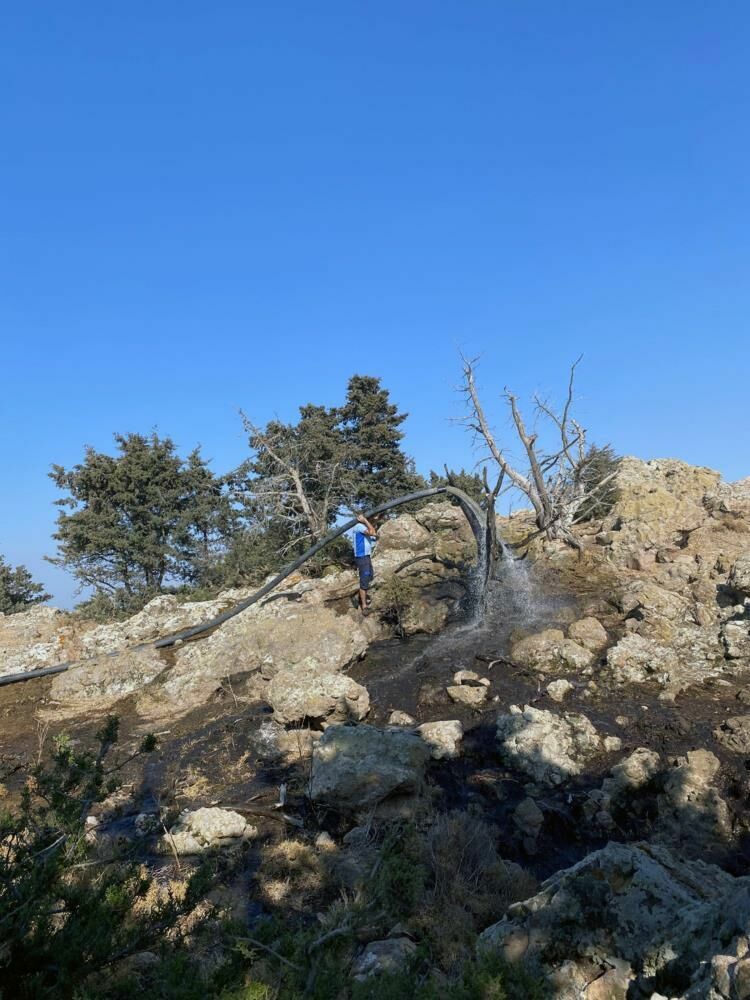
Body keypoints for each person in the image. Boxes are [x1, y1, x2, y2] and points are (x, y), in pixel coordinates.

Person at [352, 512, 379, 614]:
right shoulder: (359, 526)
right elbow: (372, 532)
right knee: (364, 579)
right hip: (361, 557)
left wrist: (375, 534)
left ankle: (360, 595)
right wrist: (365, 521)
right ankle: (364, 606)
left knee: (369, 577)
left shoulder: (364, 529)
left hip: (366, 556)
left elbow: (374, 536)